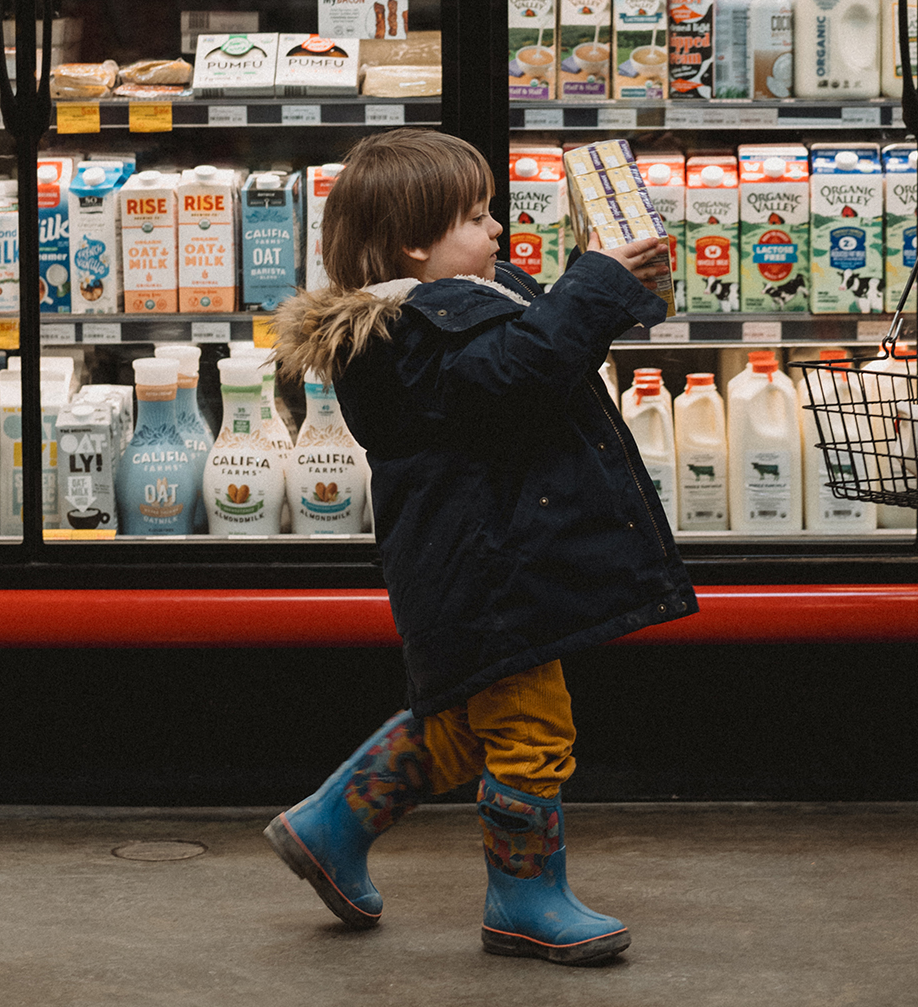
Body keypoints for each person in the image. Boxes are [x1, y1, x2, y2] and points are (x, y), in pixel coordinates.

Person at [267, 129, 696, 966]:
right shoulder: (398, 337)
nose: (496, 229)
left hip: (498, 563)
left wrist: (615, 283)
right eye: (474, 216)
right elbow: (514, 375)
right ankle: (524, 898)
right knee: (534, 729)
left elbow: (544, 359)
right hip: (487, 572)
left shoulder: (469, 295)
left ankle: (331, 826)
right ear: (413, 244)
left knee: (466, 723)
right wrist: (593, 286)